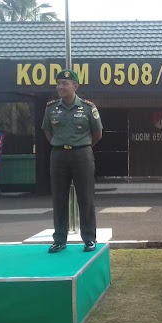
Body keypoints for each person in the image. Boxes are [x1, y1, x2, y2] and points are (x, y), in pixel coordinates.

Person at [42, 69, 103, 254]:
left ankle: (89, 239)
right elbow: (47, 131)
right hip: (59, 155)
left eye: (65, 84)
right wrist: (58, 144)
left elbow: (97, 134)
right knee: (59, 198)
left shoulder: (87, 107)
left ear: (75, 86)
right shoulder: (51, 108)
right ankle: (59, 239)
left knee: (86, 198)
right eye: (58, 83)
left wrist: (81, 146)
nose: (60, 87)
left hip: (81, 155)